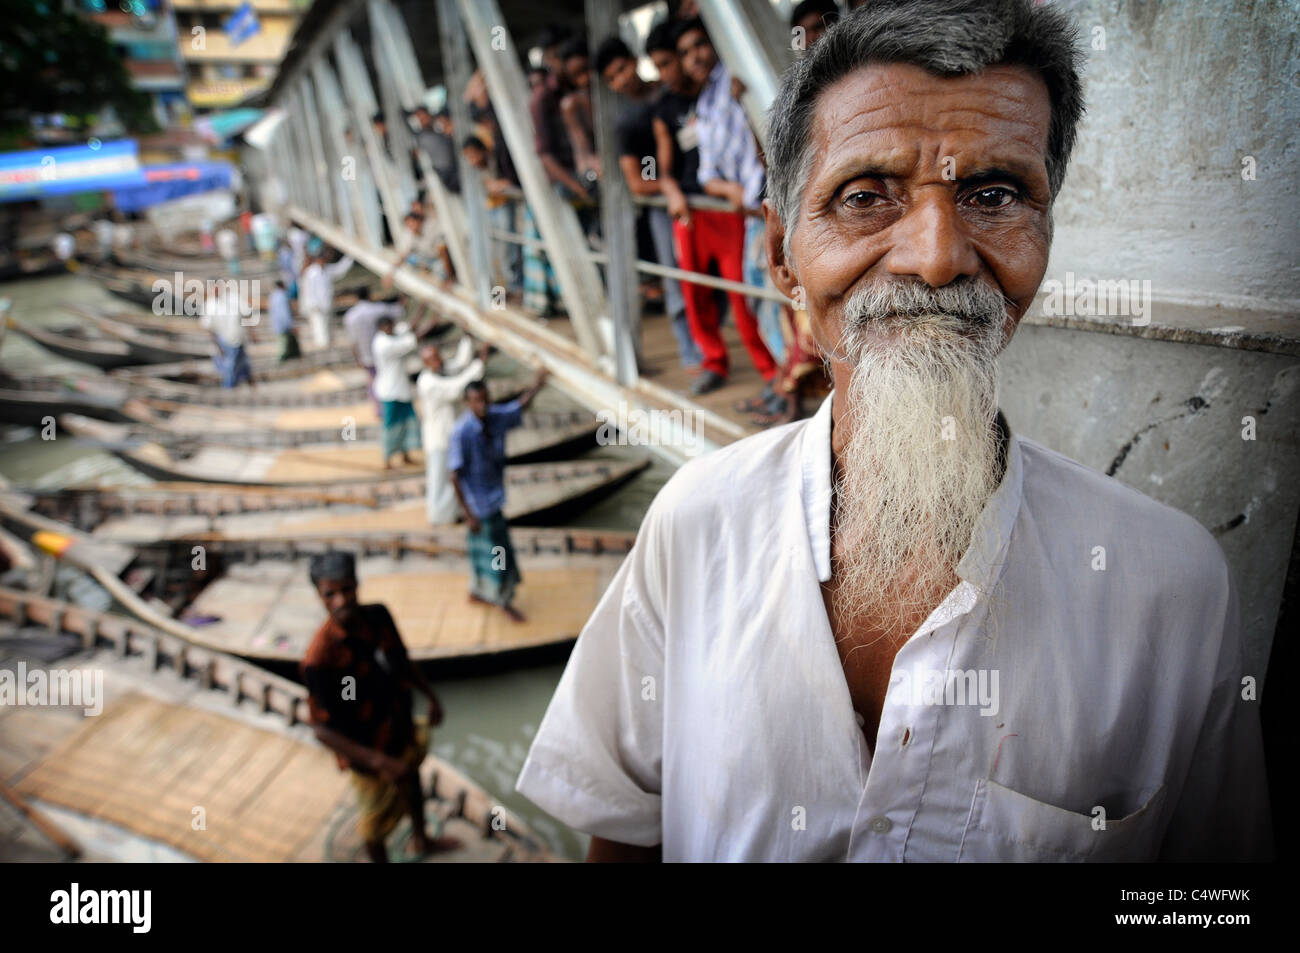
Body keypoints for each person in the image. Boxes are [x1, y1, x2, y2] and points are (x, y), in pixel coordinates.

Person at [516, 0, 1272, 863]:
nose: (936, 255)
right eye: (866, 195)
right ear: (780, 253)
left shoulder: (1172, 588)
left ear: (1047, 235)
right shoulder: (694, 525)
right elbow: (622, 835)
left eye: (996, 194)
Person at [301, 551, 454, 863]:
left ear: (357, 585)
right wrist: (378, 761)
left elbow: (402, 660)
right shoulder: (320, 658)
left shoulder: (378, 616)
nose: (341, 600)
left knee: (411, 779)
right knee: (373, 827)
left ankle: (422, 840)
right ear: (320, 596)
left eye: (347, 589)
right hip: (367, 751)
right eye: (331, 594)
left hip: (399, 723)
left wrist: (431, 696)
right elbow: (320, 729)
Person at [671, 18, 777, 397]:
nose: (694, 56)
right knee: (749, 295)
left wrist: (747, 105)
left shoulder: (740, 75)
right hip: (743, 210)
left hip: (768, 203)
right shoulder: (706, 103)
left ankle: (778, 377)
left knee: (760, 297)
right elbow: (708, 172)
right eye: (684, 52)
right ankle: (777, 381)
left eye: (699, 44)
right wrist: (734, 192)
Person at [596, 34, 702, 373]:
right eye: (612, 77)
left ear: (634, 60)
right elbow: (637, 183)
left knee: (714, 274)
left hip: (705, 195)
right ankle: (689, 348)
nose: (621, 79)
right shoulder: (628, 125)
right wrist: (668, 186)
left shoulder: (673, 90)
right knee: (674, 275)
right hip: (665, 206)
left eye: (623, 68)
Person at [448, 369, 548, 622]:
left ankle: (479, 591)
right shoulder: (461, 432)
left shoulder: (494, 417)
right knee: (498, 554)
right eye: (476, 401)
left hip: (493, 498)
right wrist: (468, 514)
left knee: (484, 551)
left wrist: (537, 385)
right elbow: (454, 475)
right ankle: (503, 599)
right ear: (467, 403)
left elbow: (518, 407)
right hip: (479, 506)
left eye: (485, 399)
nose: (482, 406)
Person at [417, 336, 489, 525]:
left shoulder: (440, 372)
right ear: (425, 363)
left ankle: (453, 513)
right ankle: (439, 518)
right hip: (439, 439)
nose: (438, 360)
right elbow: (457, 387)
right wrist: (479, 363)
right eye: (433, 359)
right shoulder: (429, 383)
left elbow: (458, 364)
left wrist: (467, 338)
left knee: (454, 478)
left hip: (449, 436)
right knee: (440, 480)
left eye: (438, 356)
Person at [371, 315, 422, 469]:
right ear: (381, 328)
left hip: (401, 389)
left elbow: (407, 328)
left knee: (406, 423)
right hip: (390, 392)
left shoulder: (391, 337)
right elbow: (410, 341)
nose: (390, 329)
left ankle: (405, 455)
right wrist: (431, 324)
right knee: (390, 426)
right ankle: (387, 459)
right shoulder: (384, 345)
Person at [343, 286, 405, 385]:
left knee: (375, 382)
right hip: (384, 353)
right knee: (387, 382)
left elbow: (353, 341)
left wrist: (357, 359)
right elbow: (399, 311)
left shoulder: (350, 316)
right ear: (369, 295)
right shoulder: (378, 308)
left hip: (365, 356)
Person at [299, 248, 355, 349]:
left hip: (327, 303)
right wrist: (313, 304)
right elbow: (308, 291)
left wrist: (350, 257)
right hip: (316, 306)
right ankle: (323, 346)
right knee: (320, 326)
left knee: (329, 326)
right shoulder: (311, 273)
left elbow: (340, 270)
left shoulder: (327, 269)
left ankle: (329, 345)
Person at [201, 283, 253, 388]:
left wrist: (252, 333)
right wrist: (217, 346)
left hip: (237, 338)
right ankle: (230, 388)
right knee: (232, 366)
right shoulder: (210, 305)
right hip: (225, 340)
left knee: (240, 364)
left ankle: (243, 386)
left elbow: (247, 314)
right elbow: (208, 328)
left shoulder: (233, 298)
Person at [268, 279, 300, 362]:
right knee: (283, 344)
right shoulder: (282, 296)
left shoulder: (273, 296)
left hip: (278, 323)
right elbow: (284, 312)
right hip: (284, 324)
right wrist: (291, 325)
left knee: (290, 342)